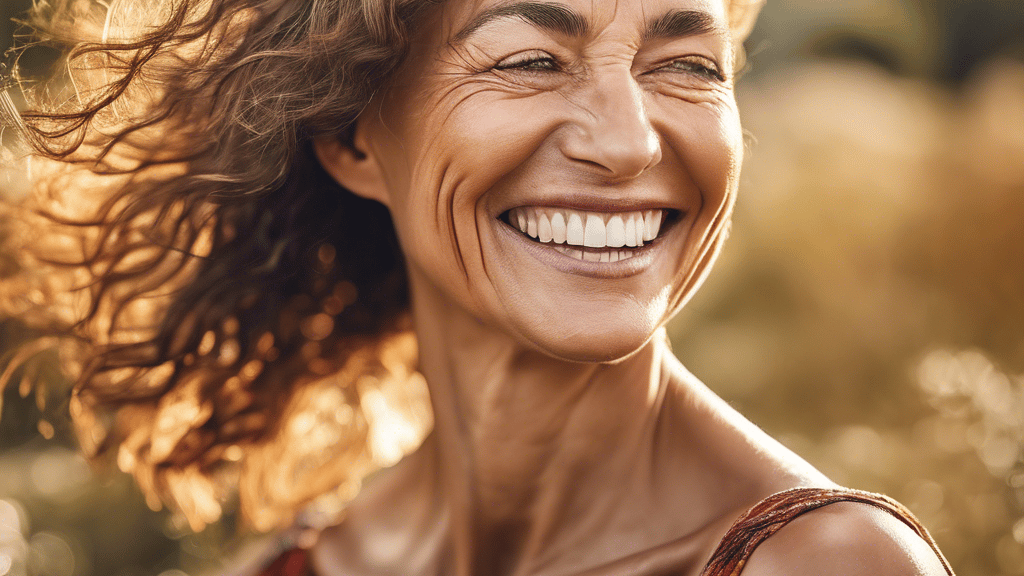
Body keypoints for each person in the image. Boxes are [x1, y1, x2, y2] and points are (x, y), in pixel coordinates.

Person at [0, 0, 957, 574]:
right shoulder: (301, 567)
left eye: (687, 65)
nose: (628, 141)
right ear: (350, 135)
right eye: (532, 60)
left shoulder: (827, 568)